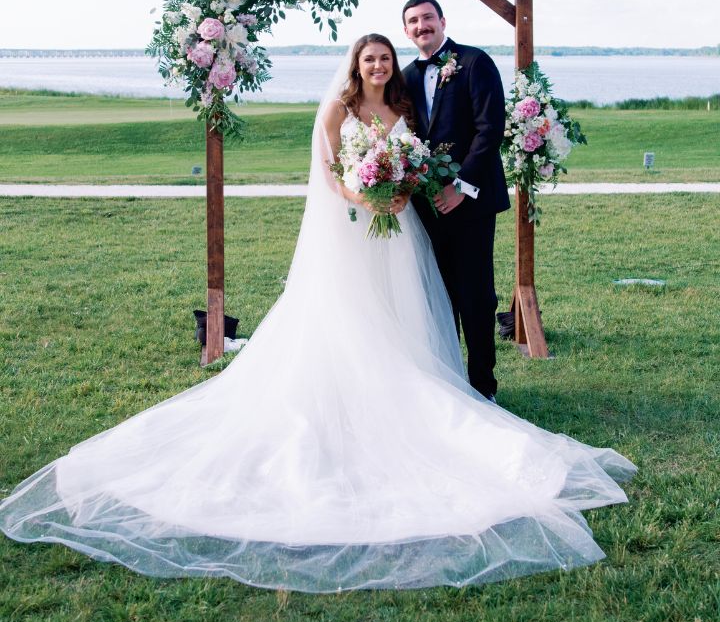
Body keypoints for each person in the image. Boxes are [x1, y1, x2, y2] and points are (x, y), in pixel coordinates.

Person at [0, 34, 636, 593]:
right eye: (372, 57)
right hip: (352, 226)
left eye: (387, 56)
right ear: (356, 65)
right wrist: (364, 192)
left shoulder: (406, 103)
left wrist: (401, 188)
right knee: (347, 315)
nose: (381, 64)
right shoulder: (339, 105)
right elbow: (331, 168)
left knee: (405, 311)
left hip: (398, 228)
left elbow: (423, 154)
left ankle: (436, 383)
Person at [402, 0, 509, 401]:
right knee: (437, 296)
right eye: (413, 21)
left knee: (476, 296)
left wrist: (460, 186)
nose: (421, 25)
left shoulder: (475, 62)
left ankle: (484, 387)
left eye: (427, 17)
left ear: (442, 21)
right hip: (426, 207)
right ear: (406, 30)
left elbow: (489, 130)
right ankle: (448, 385)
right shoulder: (407, 76)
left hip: (472, 202)